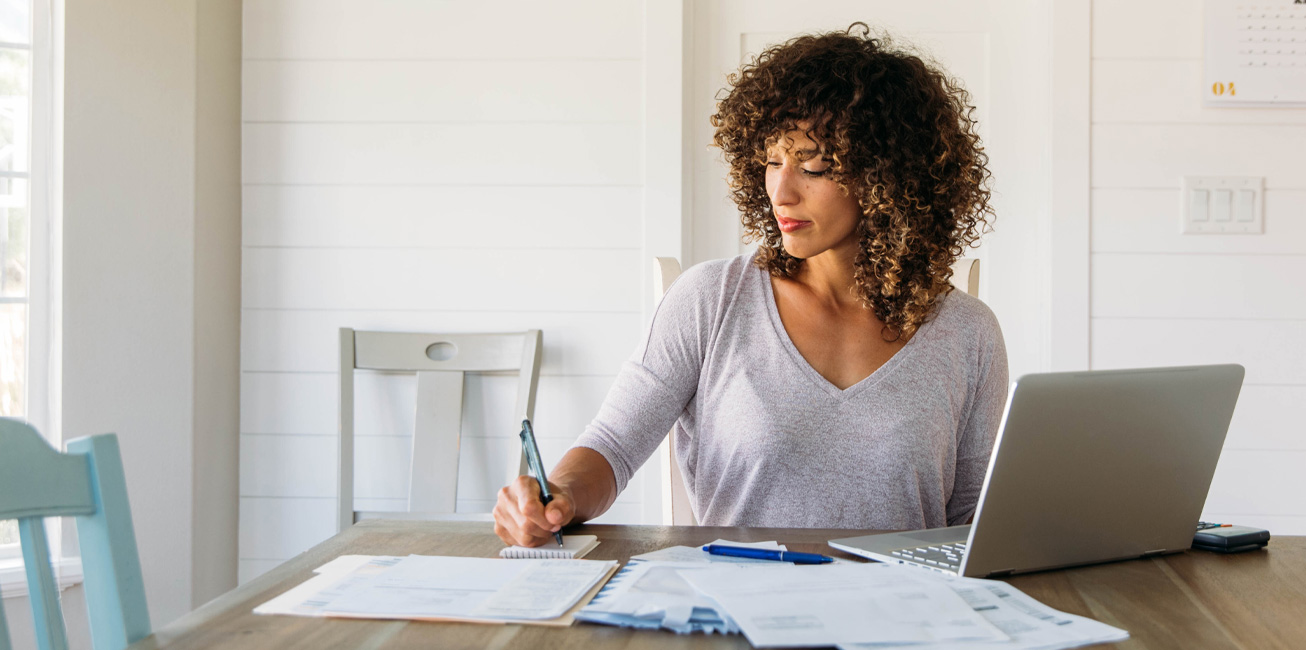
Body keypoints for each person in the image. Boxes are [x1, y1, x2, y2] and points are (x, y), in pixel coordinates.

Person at [494, 24, 1008, 548]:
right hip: (737, 611)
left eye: (814, 166)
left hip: (904, 616)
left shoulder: (968, 332)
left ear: (889, 177)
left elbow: (975, 521)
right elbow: (612, 446)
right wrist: (556, 496)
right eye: (771, 162)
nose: (780, 192)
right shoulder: (711, 300)